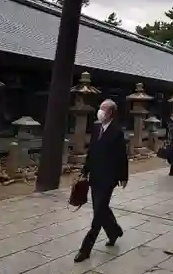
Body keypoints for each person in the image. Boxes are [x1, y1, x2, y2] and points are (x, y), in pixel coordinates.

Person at [74, 99, 128, 263]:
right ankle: (114, 231)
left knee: (98, 213)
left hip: (109, 177)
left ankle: (85, 248)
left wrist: (123, 177)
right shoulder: (97, 127)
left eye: (103, 109)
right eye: (100, 108)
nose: (100, 111)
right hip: (95, 176)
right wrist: (85, 170)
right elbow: (92, 151)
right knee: (100, 207)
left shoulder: (117, 132)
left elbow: (122, 156)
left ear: (111, 112)